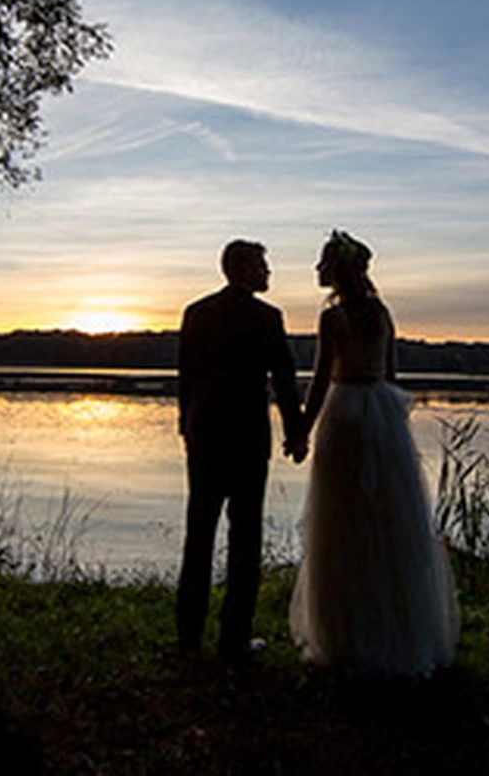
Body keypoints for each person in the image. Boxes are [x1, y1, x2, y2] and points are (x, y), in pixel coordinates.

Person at [290, 230, 459, 676]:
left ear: (336, 271)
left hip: (345, 414)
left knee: (343, 521)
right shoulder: (382, 313)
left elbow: (322, 380)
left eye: (322, 263)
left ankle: (348, 636)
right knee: (388, 521)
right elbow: (390, 372)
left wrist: (302, 432)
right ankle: (399, 633)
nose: (317, 271)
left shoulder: (333, 319)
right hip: (383, 411)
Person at [176, 239, 307, 663]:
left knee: (199, 534)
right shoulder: (267, 317)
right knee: (245, 538)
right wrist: (296, 432)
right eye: (263, 266)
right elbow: (284, 379)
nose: (268, 273)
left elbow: (187, 379)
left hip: (205, 435)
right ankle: (233, 639)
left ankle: (189, 636)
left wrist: (186, 426)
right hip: (247, 438)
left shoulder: (196, 312)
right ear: (244, 269)